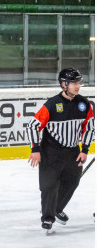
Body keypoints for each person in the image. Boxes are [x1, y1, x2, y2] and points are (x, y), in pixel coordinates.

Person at [27, 68, 94, 234]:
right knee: (49, 186)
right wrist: (35, 149)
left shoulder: (84, 104)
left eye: (79, 83)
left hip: (73, 152)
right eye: (74, 83)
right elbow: (33, 126)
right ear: (64, 84)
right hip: (51, 151)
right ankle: (47, 219)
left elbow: (89, 127)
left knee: (72, 181)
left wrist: (84, 149)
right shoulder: (51, 104)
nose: (77, 86)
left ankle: (56, 209)